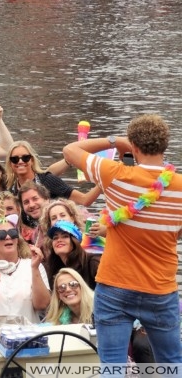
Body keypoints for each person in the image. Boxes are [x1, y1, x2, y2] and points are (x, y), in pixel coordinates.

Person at [63, 114, 182, 365]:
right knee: (171, 362)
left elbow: (70, 150)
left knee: (113, 365)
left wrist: (114, 141)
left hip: (116, 285)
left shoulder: (114, 173)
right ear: (165, 146)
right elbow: (174, 233)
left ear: (134, 147)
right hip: (160, 288)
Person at [0, 214, 50, 323]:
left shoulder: (34, 265)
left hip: (27, 336)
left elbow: (42, 305)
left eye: (12, 233)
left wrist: (34, 269)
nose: (8, 237)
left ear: (17, 239)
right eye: (1, 235)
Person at [5, 140, 101, 207]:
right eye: (15, 159)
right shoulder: (10, 190)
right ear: (10, 163)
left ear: (32, 160)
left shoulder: (48, 180)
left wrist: (105, 180)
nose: (20, 162)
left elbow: (84, 200)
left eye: (25, 158)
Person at [40, 199, 101, 290]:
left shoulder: (93, 261)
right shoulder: (51, 263)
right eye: (55, 237)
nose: (59, 219)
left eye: (65, 236)